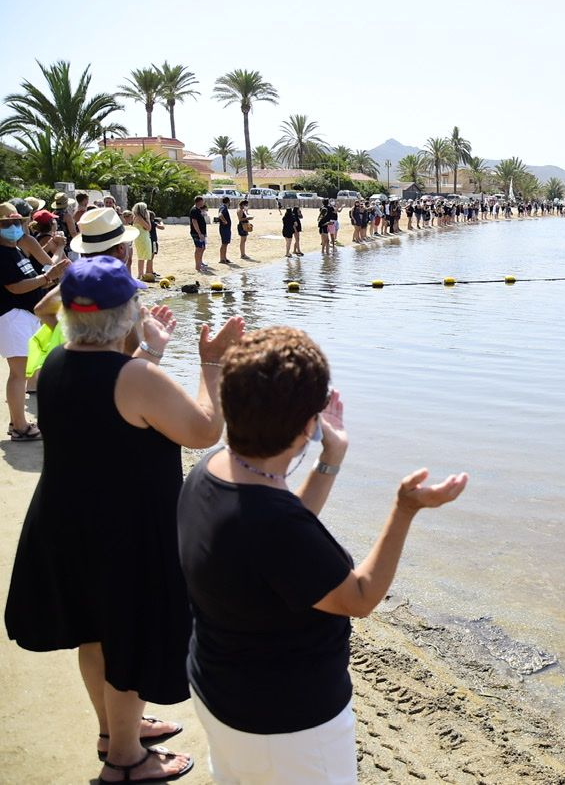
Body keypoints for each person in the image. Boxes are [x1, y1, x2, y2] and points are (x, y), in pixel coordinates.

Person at [176, 327, 468, 783]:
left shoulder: (210, 471)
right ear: (307, 425)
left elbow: (280, 545)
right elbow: (360, 598)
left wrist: (331, 458)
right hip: (285, 725)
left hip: (219, 689)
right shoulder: (275, 525)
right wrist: (405, 508)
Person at [5, 256, 244, 784]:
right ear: (125, 313)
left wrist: (149, 349)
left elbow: (116, 402)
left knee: (94, 635)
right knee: (126, 639)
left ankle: (115, 733)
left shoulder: (61, 363)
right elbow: (204, 430)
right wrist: (212, 363)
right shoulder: (131, 376)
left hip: (66, 520)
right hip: (123, 532)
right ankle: (126, 762)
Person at [1, 202, 69, 440]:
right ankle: (19, 426)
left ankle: (17, 422)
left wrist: (47, 279)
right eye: (6, 223)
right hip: (12, 315)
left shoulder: (15, 249)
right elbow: (15, 287)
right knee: (18, 373)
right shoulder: (3, 253)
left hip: (22, 315)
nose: (13, 227)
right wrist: (47, 277)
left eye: (16, 222)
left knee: (20, 373)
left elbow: (30, 278)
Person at [131, 202, 155, 280]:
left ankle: (141, 274)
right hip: (142, 238)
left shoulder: (136, 217)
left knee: (142, 256)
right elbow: (148, 228)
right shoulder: (139, 218)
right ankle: (140, 274)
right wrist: (148, 218)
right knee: (142, 256)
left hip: (141, 237)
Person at [189, 196, 209, 272]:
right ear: (199, 201)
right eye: (202, 201)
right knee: (199, 249)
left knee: (203, 247)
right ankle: (198, 266)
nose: (203, 203)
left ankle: (200, 263)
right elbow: (194, 222)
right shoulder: (194, 210)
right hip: (196, 233)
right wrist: (199, 233)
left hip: (202, 233)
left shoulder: (198, 210)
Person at [216, 197, 233, 264]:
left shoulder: (223, 207)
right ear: (228, 201)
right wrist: (225, 221)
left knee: (225, 243)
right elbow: (220, 215)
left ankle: (224, 258)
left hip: (225, 228)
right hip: (224, 228)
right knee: (224, 243)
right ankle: (222, 259)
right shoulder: (223, 207)